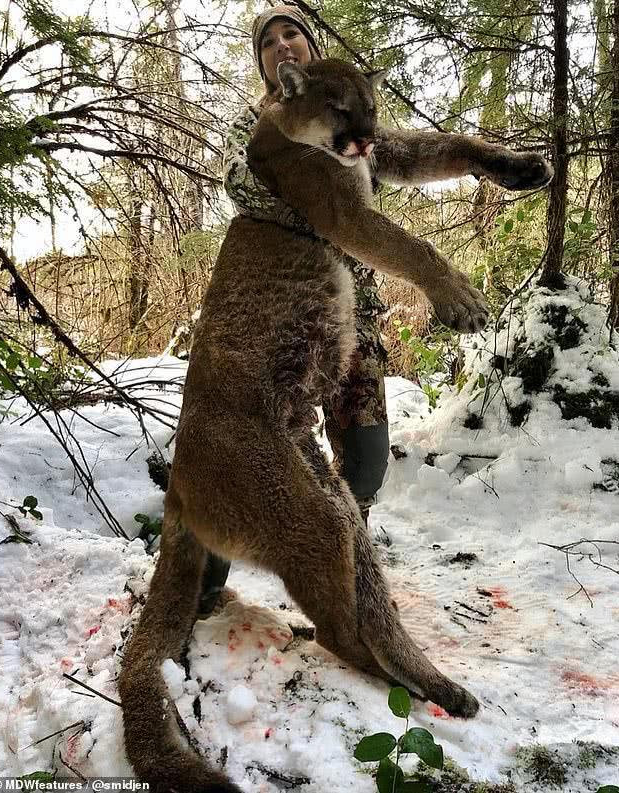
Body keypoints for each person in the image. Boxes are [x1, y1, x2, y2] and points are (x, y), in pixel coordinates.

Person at [197, 4, 390, 615]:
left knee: (365, 460)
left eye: (293, 34)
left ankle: (337, 567)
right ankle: (199, 582)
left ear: (311, 47)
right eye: (270, 41)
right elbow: (242, 182)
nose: (283, 45)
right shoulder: (255, 128)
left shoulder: (355, 120)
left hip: (351, 320)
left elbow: (393, 165)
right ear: (262, 64)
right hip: (281, 326)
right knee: (242, 450)